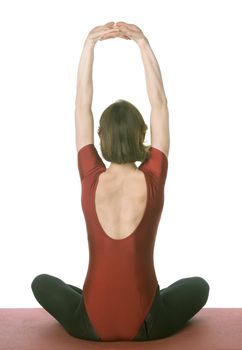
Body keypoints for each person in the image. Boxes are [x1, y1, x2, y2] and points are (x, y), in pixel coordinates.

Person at [31, 21, 209, 342]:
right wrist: (142, 43)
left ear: (100, 138)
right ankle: (144, 297)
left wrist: (89, 46)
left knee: (41, 283)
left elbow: (81, 106)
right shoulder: (153, 175)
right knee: (199, 286)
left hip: (90, 324)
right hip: (147, 325)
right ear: (143, 134)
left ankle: (91, 299)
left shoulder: (90, 177)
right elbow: (160, 105)